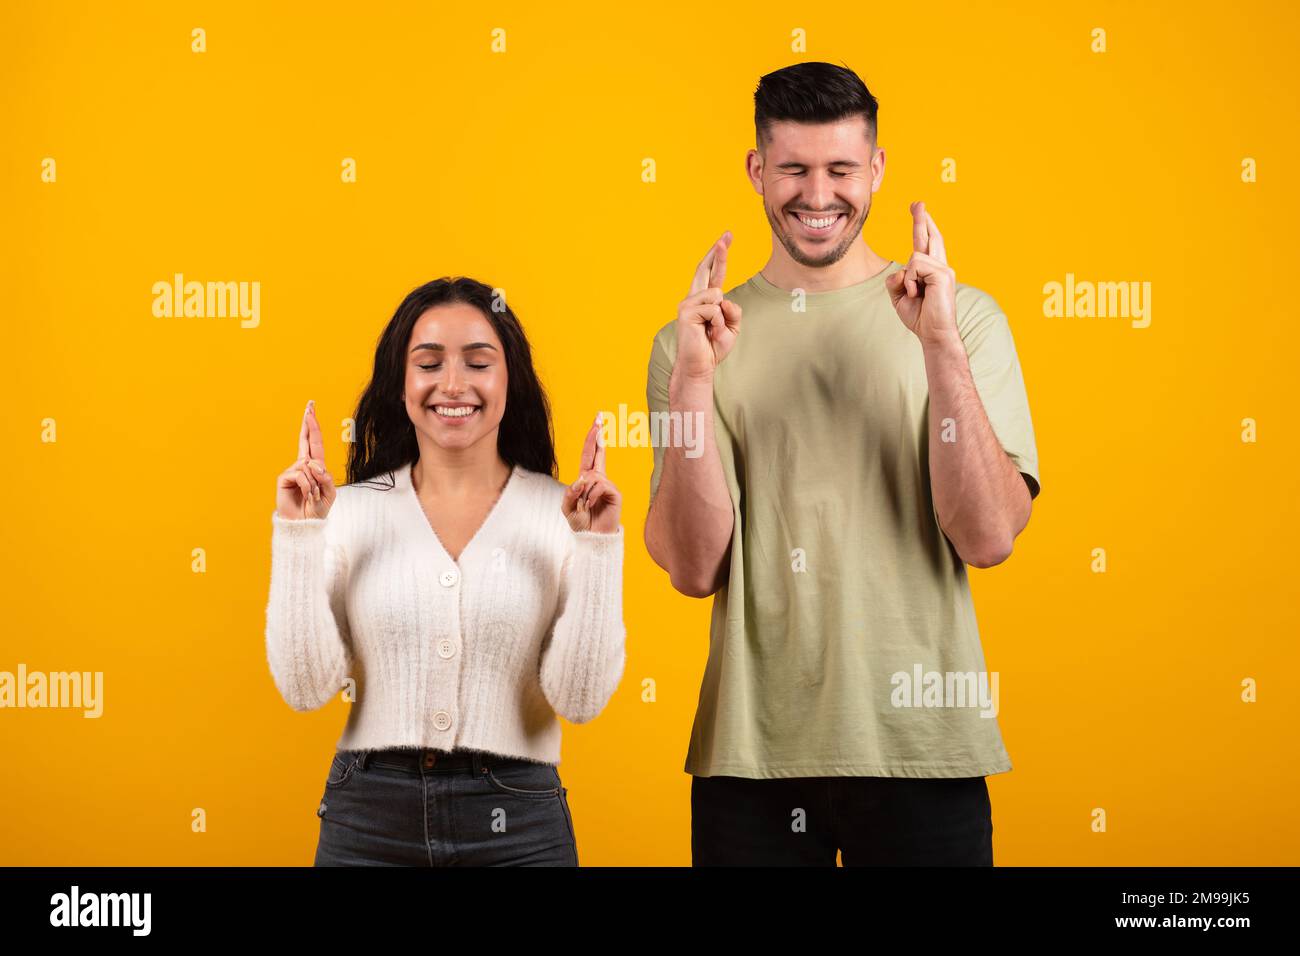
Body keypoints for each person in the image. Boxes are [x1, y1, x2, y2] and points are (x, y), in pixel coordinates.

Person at [644, 62, 1041, 866]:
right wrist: (693, 381)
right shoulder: (693, 340)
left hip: (925, 744)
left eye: (840, 170)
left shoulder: (963, 319)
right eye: (792, 167)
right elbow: (692, 567)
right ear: (757, 170)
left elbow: (990, 537)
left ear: (878, 171)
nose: (816, 193)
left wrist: (937, 347)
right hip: (751, 757)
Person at [266, 276, 626, 866]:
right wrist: (300, 535)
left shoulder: (565, 512)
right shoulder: (346, 510)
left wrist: (597, 547)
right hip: (369, 817)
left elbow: (581, 699)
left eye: (478, 363)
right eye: (428, 363)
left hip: (519, 822)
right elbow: (306, 690)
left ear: (510, 380)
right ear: (401, 384)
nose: (452, 385)